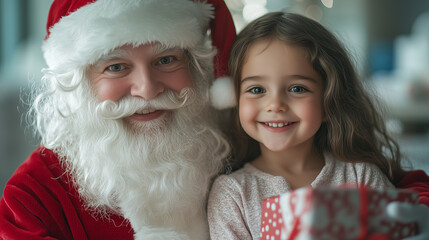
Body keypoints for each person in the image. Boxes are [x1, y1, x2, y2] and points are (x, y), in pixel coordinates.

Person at [0, 0, 236, 239]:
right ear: (79, 84)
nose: (147, 90)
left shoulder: (238, 152)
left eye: (166, 60)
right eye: (116, 67)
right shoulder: (32, 197)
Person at [207, 11, 429, 239]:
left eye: (297, 89)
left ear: (328, 101)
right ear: (234, 99)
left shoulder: (361, 175)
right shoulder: (232, 194)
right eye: (257, 90)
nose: (275, 105)